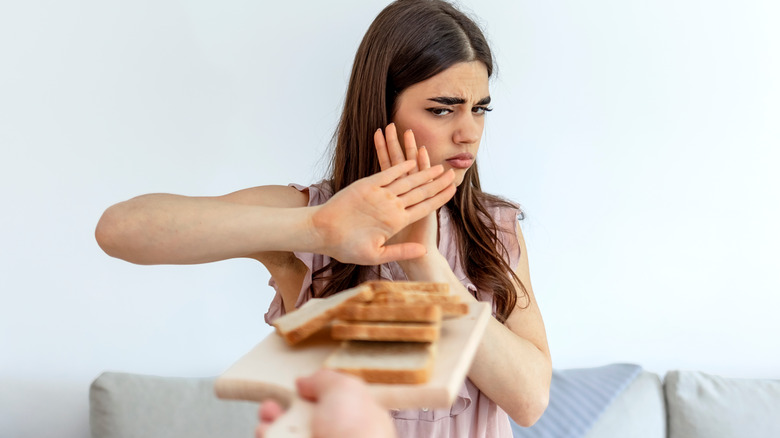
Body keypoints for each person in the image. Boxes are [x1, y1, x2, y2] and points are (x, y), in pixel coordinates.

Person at [95, 0, 551, 436]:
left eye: (480, 108)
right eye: (442, 109)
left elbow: (529, 402)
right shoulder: (314, 214)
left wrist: (426, 265)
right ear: (382, 107)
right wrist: (319, 229)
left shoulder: (493, 228)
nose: (469, 131)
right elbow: (121, 230)